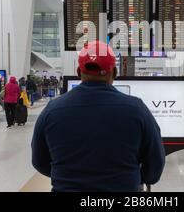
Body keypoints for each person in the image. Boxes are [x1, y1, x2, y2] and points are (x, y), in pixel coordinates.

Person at [32, 41, 165, 192]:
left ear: (78, 72)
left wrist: (66, 178)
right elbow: (155, 164)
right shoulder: (137, 109)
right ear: (114, 72)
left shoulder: (51, 111)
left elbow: (39, 161)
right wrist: (138, 178)